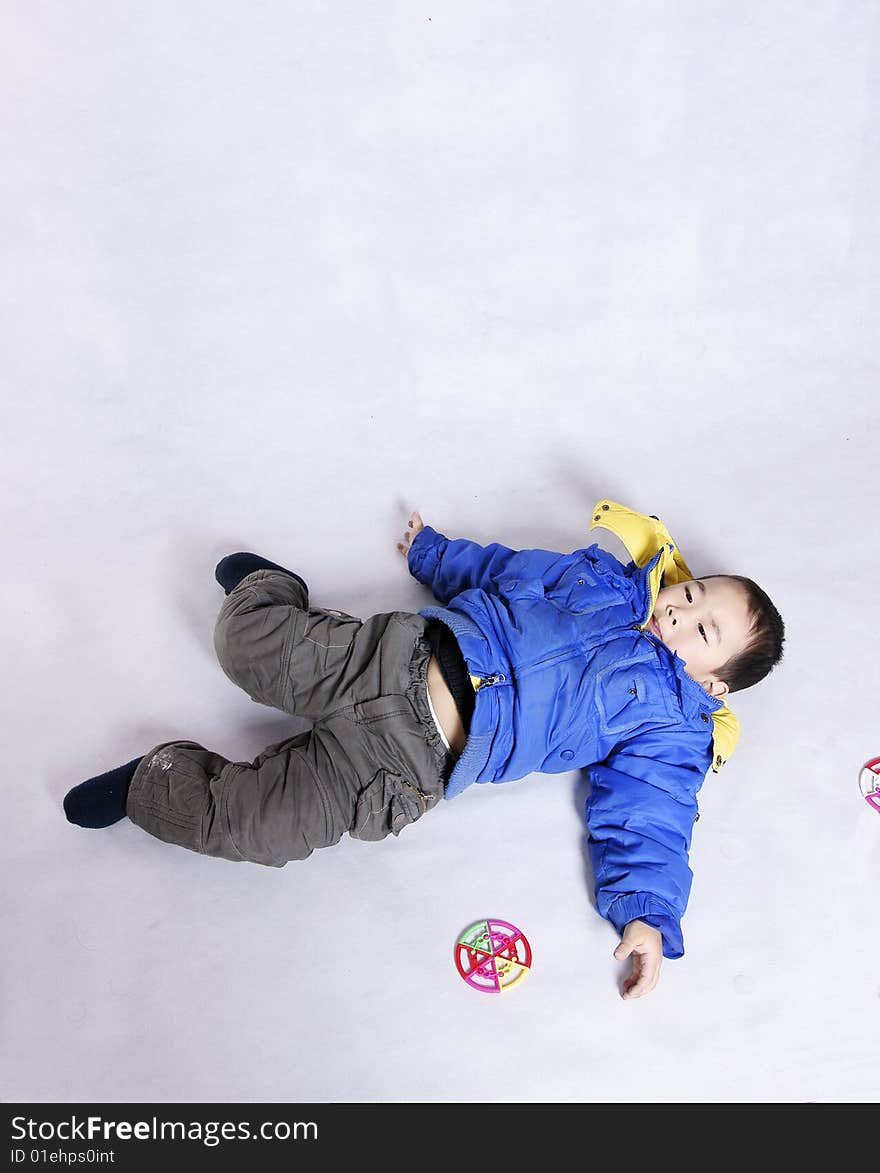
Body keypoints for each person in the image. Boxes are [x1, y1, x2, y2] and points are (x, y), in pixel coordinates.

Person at [63, 498, 785, 999]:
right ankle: (268, 589)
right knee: (239, 643)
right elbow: (511, 569)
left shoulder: (669, 726)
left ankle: (153, 783)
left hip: (404, 767)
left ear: (714, 685)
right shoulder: (602, 581)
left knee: (259, 828)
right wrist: (439, 554)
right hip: (393, 655)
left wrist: (647, 916)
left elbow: (650, 814)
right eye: (695, 594)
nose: (683, 610)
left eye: (704, 629)